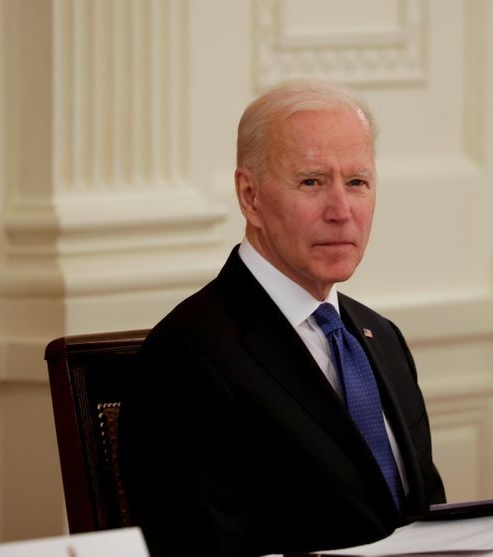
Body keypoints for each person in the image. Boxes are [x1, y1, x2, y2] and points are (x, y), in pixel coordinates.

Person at [118, 78, 446, 556]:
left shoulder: (383, 339)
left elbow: (431, 523)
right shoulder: (186, 357)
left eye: (357, 182)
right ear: (250, 197)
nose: (341, 211)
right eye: (312, 181)